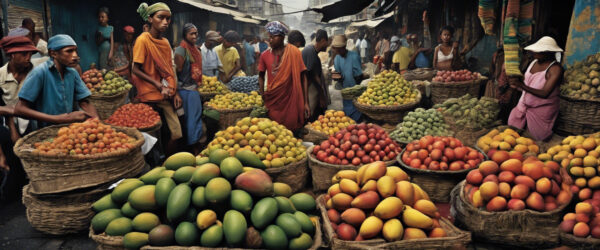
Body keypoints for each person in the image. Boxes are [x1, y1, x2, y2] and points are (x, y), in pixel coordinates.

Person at [14, 34, 98, 129]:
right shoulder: (40, 72)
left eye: (75, 51)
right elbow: (19, 109)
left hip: (69, 130)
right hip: (46, 131)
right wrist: (57, 119)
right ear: (53, 53)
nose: (75, 56)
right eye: (69, 51)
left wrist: (96, 122)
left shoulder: (72, 73)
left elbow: (85, 102)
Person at [131, 2, 182, 155]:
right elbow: (135, 69)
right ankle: (156, 165)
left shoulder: (166, 43)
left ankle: (167, 161)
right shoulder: (143, 40)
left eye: (168, 19)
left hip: (165, 93)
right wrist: (158, 85)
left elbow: (168, 70)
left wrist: (175, 91)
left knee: (177, 133)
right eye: (161, 17)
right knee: (152, 136)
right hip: (148, 95)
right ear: (150, 19)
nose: (165, 22)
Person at [0, 36, 44, 202]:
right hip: (11, 125)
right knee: (14, 173)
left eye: (30, 54)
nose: (28, 58)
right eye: (24, 54)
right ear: (12, 55)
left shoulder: (38, 73)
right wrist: (12, 128)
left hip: (36, 123)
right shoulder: (0, 76)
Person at [508, 36, 564, 141]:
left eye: (538, 51)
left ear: (547, 52)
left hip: (541, 111)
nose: (534, 53)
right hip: (523, 106)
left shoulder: (555, 69)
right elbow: (528, 83)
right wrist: (517, 86)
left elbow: (545, 93)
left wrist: (522, 85)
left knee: (536, 140)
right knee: (512, 135)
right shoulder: (533, 62)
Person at [258, 21, 309, 132]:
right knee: (274, 133)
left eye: (274, 37)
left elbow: (303, 77)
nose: (270, 40)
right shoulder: (264, 55)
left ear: (282, 37)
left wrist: (306, 102)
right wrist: (262, 95)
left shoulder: (294, 52)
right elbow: (261, 76)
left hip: (291, 101)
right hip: (273, 101)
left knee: (292, 133)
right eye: (269, 37)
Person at [174, 23, 205, 154]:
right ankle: (194, 147)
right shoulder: (181, 50)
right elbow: (177, 71)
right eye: (191, 33)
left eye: (196, 33)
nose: (194, 36)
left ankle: (192, 144)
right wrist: (176, 92)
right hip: (186, 90)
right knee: (193, 119)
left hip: (192, 88)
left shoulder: (194, 49)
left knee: (193, 118)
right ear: (185, 35)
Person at [332, 35, 362, 121]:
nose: (338, 51)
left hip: (355, 92)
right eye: (336, 49)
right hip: (345, 92)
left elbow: (358, 76)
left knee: (357, 114)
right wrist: (337, 77)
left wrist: (355, 89)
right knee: (347, 117)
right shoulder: (337, 58)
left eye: (340, 49)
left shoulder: (354, 56)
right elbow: (338, 74)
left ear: (344, 46)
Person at [302, 29, 329, 121]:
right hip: (309, 91)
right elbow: (312, 76)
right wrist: (321, 96)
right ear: (323, 41)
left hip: (311, 91)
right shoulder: (310, 52)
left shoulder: (312, 52)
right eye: (327, 42)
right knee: (309, 116)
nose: (327, 45)